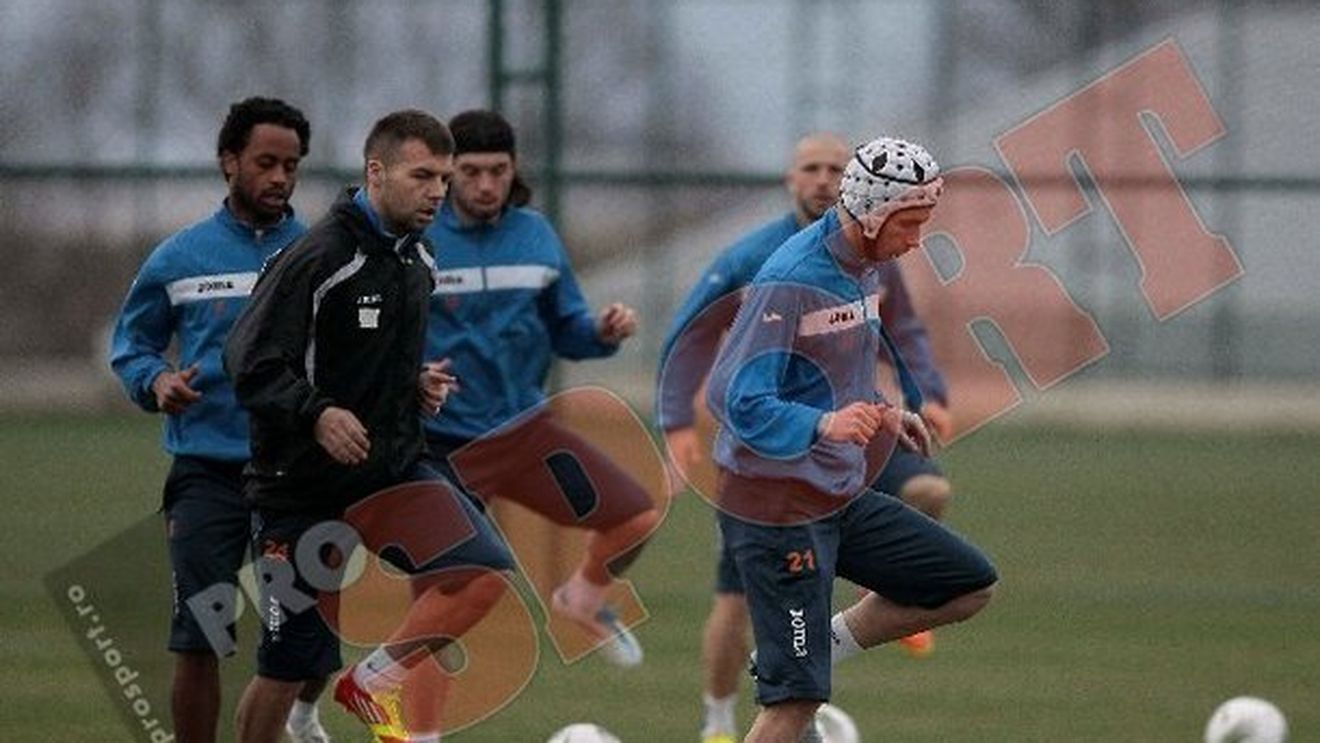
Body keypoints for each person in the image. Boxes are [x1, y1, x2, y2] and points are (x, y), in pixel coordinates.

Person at [657, 133, 960, 743]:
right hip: (771, 495)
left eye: (833, 167)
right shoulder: (779, 270)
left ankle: (816, 643)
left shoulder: (866, 263)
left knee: (964, 576)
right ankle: (720, 720)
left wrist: (891, 404)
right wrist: (676, 420)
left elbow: (869, 347)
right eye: (912, 222)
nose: (920, 238)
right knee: (780, 678)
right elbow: (730, 391)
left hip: (835, 481)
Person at [223, 109, 514, 743]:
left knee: (479, 575)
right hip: (299, 488)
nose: (439, 191)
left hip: (389, 470)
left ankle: (371, 682)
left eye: (443, 177)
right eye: (423, 176)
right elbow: (248, 360)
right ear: (375, 173)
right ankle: (302, 710)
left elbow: (368, 355)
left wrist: (412, 384)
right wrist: (317, 413)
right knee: (288, 665)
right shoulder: (320, 257)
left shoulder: (419, 259)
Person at [109, 96, 332, 743]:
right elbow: (132, 346)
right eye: (266, 162)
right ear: (228, 161)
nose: (280, 178)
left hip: (296, 477)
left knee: (299, 644)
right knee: (201, 637)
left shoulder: (319, 252)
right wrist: (157, 381)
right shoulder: (180, 257)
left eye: (291, 165)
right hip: (208, 475)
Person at [417, 108, 660, 671]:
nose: (485, 184)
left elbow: (569, 329)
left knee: (634, 516)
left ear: (514, 168)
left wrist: (601, 331)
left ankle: (582, 597)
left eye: (497, 171)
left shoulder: (536, 235)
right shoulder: (419, 239)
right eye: (471, 171)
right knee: (440, 604)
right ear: (449, 172)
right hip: (440, 445)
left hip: (524, 433)